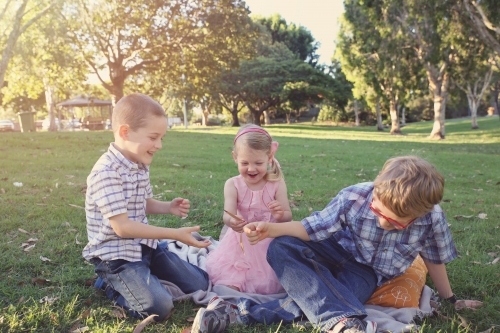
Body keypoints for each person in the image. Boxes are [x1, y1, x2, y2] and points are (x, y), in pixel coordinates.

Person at [192, 155, 483, 333]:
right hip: (331, 249)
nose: (384, 223)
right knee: (281, 245)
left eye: (396, 222)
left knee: (337, 297)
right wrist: (271, 229)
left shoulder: (432, 218)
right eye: (379, 212)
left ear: (419, 214)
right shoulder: (355, 196)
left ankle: (235, 314)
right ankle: (346, 323)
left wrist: (451, 300)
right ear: (377, 191)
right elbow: (310, 228)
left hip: (366, 272)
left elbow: (434, 258)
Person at [82, 93, 210, 321]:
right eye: (153, 137)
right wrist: (175, 235)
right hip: (117, 257)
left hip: (145, 246)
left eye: (162, 138)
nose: (159, 145)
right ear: (125, 132)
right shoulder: (106, 173)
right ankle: (109, 284)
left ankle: (148, 275)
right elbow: (122, 227)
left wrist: (168, 207)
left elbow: (143, 203)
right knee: (159, 307)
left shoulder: (138, 163)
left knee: (200, 282)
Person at [206, 124, 292, 294]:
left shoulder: (276, 183)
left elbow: (288, 217)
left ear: (269, 157)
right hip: (241, 241)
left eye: (258, 163)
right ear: (235, 157)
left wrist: (279, 214)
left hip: (270, 238)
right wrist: (232, 221)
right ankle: (233, 287)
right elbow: (227, 214)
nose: (251, 169)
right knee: (233, 273)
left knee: (271, 276)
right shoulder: (233, 184)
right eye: (245, 163)